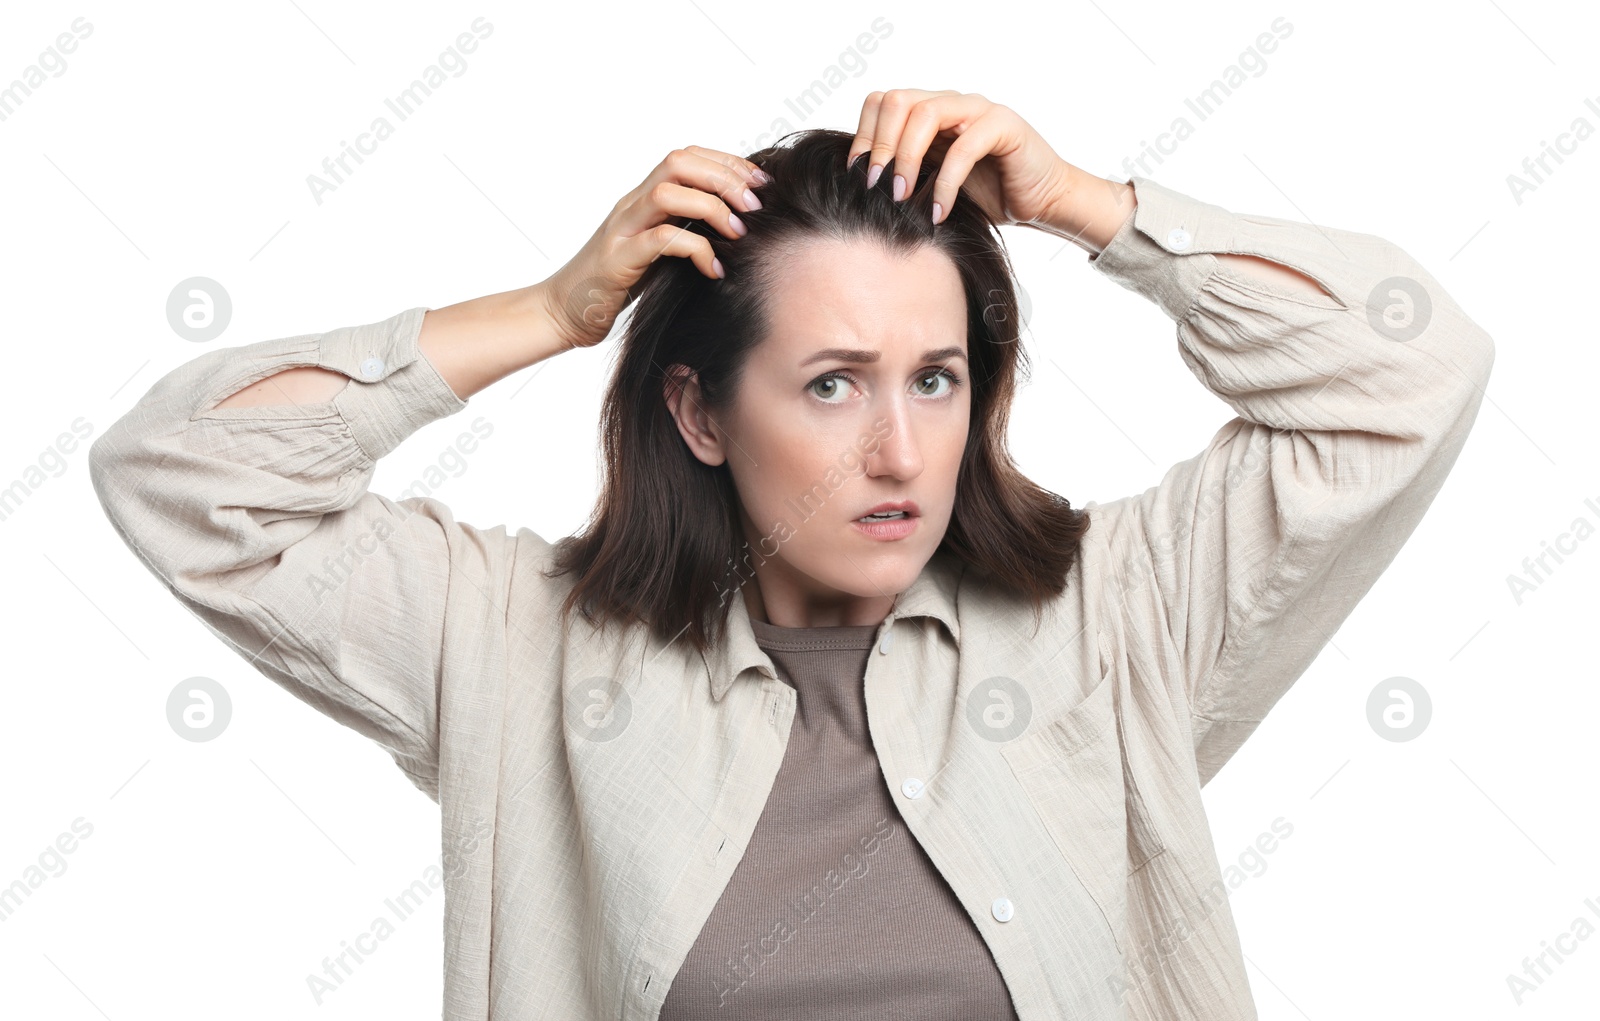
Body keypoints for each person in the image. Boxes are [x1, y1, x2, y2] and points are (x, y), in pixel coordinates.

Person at [89, 89, 1494, 1019]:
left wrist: (1088, 207)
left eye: (935, 377)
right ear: (699, 411)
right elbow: (181, 472)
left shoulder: (1116, 616)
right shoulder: (517, 650)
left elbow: (1410, 369)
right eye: (831, 383)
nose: (900, 451)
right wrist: (551, 307)